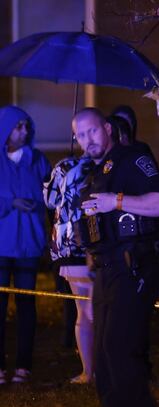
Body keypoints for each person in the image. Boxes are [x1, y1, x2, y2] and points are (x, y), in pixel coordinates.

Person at [73, 108, 159, 407]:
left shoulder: (133, 158)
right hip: (106, 272)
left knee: (121, 353)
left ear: (107, 129)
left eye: (91, 132)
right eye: (79, 135)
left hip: (133, 268)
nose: (86, 140)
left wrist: (115, 201)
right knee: (103, 361)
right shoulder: (94, 173)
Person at [0, 105, 51, 385]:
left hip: (28, 245)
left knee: (26, 304)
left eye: (26, 126)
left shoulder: (38, 161)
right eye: (18, 126)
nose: (25, 131)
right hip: (1, 245)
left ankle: (23, 365)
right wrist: (10, 203)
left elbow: (52, 194)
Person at [44, 143, 95, 384]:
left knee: (84, 311)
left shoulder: (65, 166)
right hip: (80, 245)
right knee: (90, 311)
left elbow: (49, 198)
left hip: (70, 246)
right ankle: (92, 371)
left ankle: (90, 370)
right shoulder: (94, 166)